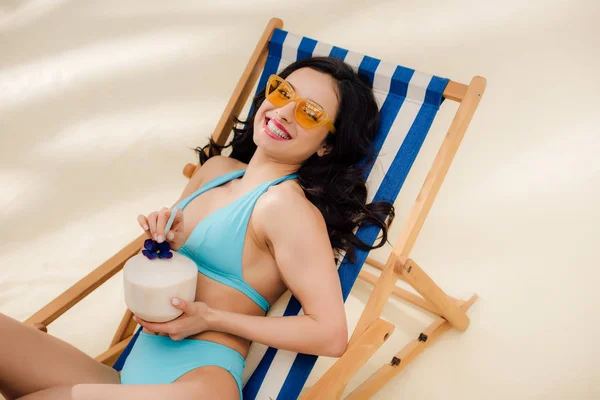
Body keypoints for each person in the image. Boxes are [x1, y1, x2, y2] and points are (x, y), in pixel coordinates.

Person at [0, 56, 394, 400]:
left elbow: (330, 334)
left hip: (197, 385)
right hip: (130, 377)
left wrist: (212, 318)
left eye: (309, 112)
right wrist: (160, 240)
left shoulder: (287, 209)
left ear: (327, 144)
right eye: (281, 92)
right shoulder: (217, 171)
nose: (284, 112)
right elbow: (165, 268)